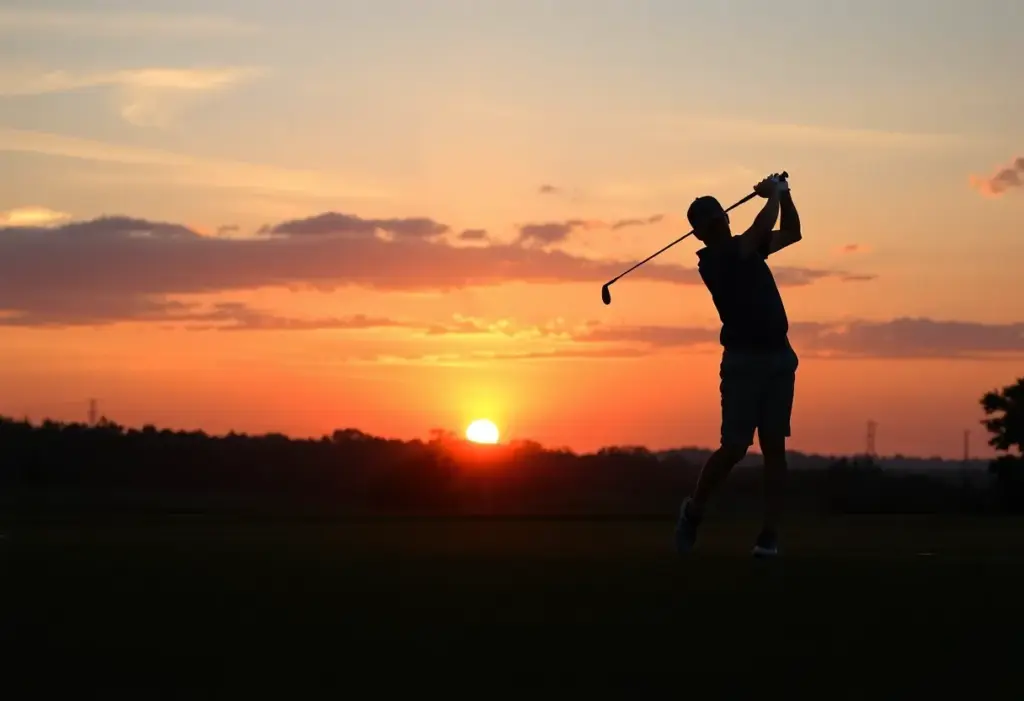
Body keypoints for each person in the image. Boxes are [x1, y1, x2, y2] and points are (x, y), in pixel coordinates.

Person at [675, 172, 802, 557]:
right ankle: (693, 512)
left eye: (718, 220)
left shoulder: (745, 246)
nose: (716, 227)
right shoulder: (714, 261)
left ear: (725, 219)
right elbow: (759, 230)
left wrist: (786, 195)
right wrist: (772, 196)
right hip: (743, 363)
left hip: (779, 357)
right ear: (699, 235)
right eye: (708, 225)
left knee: (774, 448)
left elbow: (792, 233)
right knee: (734, 448)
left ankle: (768, 536)